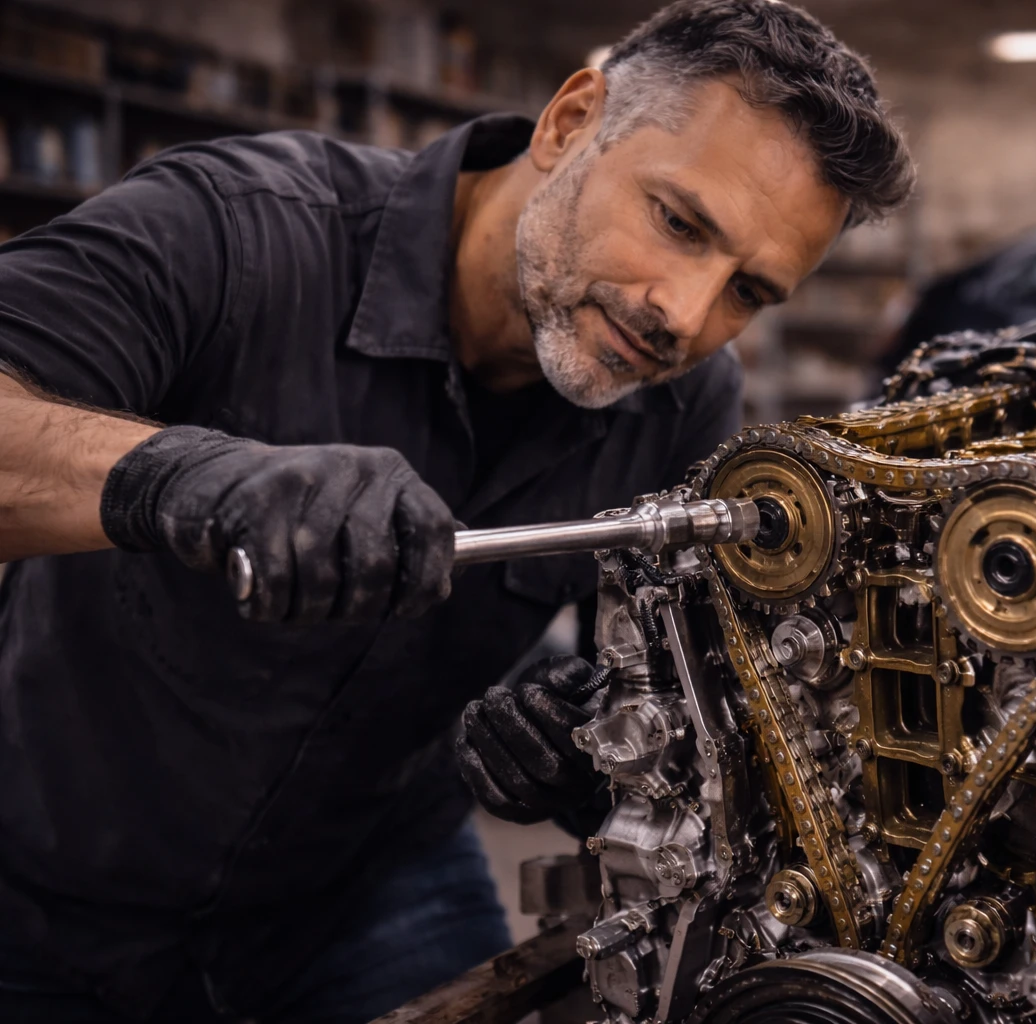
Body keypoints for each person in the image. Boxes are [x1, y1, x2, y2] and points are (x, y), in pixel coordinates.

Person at [0, 1, 914, 1021]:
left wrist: (598, 747)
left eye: (748, 289)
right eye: (679, 221)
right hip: (45, 877)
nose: (687, 315)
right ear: (571, 121)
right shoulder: (237, 226)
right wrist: (184, 478)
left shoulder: (687, 401)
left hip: (369, 877)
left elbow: (682, 683)